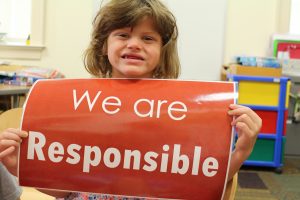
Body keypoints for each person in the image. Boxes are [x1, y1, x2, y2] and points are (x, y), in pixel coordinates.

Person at [0, 0, 262, 199]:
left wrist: (240, 151)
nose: (134, 44)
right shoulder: (76, 105)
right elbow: (63, 190)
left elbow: (201, 182)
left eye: (148, 38)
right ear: (104, 45)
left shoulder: (182, 111)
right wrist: (21, 167)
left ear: (162, 50)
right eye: (123, 35)